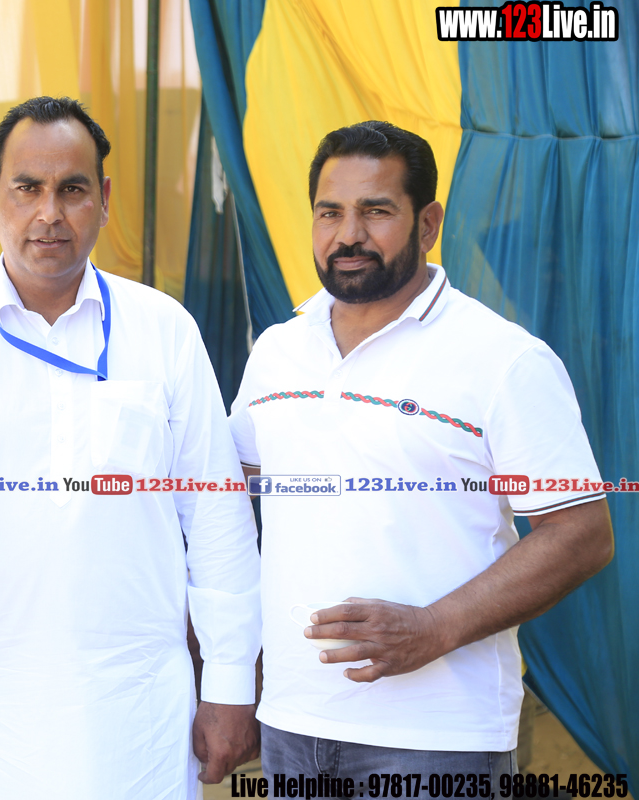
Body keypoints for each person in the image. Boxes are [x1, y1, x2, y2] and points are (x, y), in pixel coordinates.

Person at [0, 96, 262, 800]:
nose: (49, 213)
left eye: (72, 189)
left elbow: (216, 518)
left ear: (104, 200)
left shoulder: (164, 331)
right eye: (27, 188)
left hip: (139, 714)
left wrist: (231, 682)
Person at [229, 120, 614, 782]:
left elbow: (581, 534)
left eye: (376, 211)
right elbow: (233, 498)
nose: (348, 235)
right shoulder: (277, 351)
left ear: (428, 223)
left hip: (439, 735)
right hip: (293, 722)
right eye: (330, 212)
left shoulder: (503, 359)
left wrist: (435, 627)